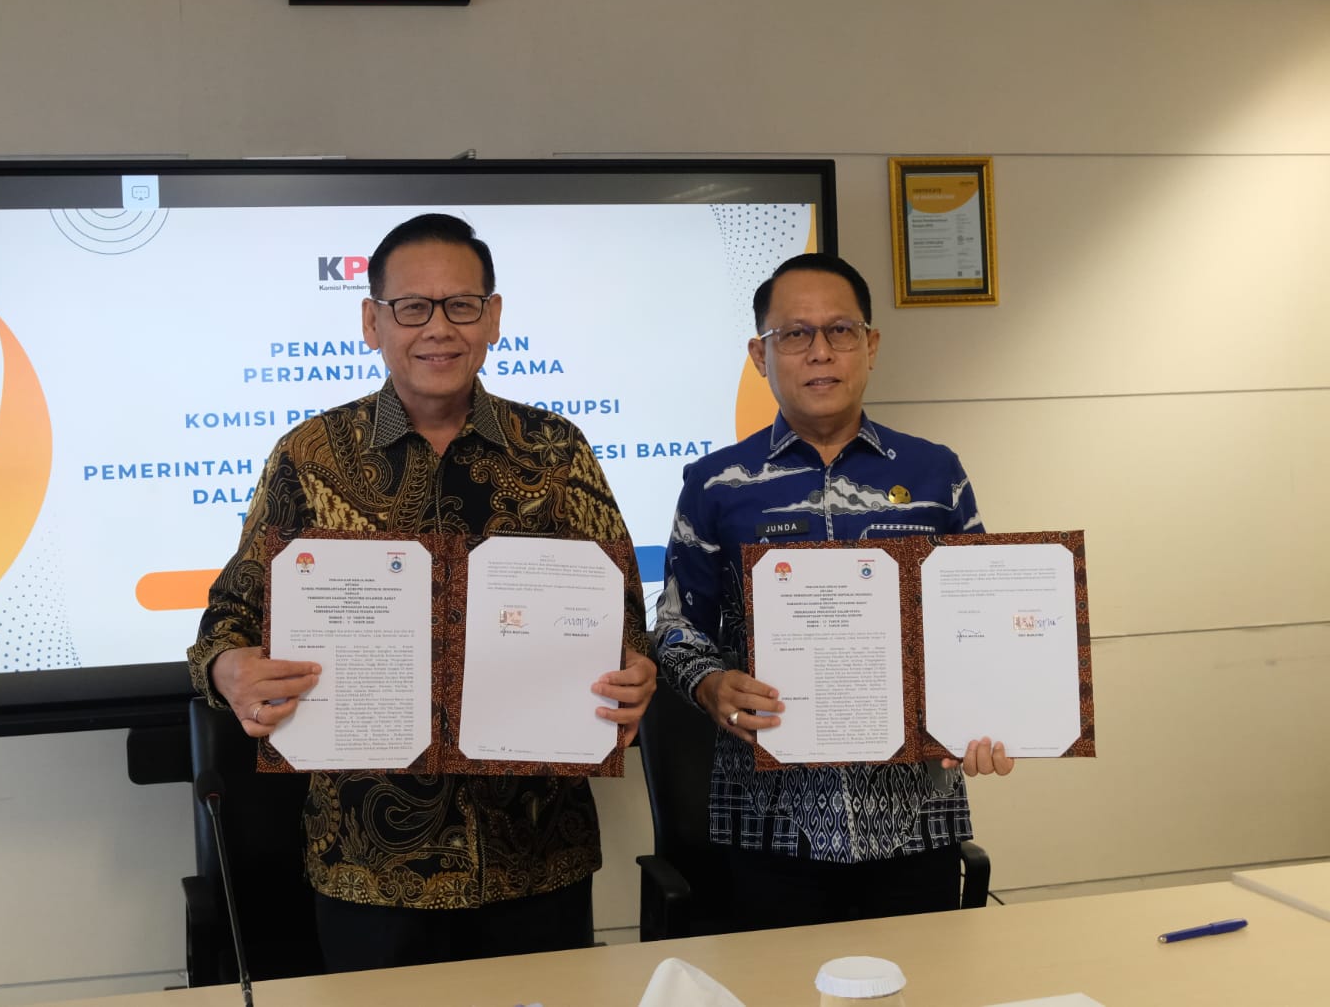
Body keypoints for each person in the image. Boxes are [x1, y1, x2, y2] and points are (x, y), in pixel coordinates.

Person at [187, 213, 656, 972]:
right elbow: (228, 618)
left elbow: (623, 613)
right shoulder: (309, 457)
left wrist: (635, 669)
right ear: (372, 322)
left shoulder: (555, 452)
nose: (438, 328)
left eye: (461, 305)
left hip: (536, 856)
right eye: (412, 307)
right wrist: (228, 668)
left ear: (493, 317)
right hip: (370, 869)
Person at [653, 251, 1012, 930]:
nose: (820, 351)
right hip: (768, 821)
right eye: (794, 334)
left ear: (869, 345)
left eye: (840, 330)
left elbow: (982, 620)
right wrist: (710, 684)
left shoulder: (936, 474)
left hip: (915, 816)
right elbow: (676, 627)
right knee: (777, 985)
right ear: (760, 356)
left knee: (923, 982)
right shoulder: (716, 483)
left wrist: (994, 714)